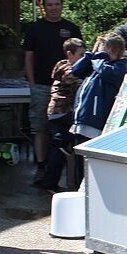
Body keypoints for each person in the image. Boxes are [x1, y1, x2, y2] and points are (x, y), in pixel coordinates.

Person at [22, 0, 82, 185]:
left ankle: (65, 168)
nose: (53, 8)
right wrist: (31, 82)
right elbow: (28, 56)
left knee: (64, 128)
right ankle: (41, 166)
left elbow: (81, 57)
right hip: (40, 85)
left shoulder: (71, 28)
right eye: (49, 5)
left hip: (67, 89)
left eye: (56, 4)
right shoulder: (35, 28)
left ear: (62, 5)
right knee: (40, 127)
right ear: (43, 6)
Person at [38, 38, 86, 191]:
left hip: (62, 113)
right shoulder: (65, 67)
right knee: (60, 147)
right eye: (81, 54)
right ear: (69, 54)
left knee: (60, 147)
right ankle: (50, 182)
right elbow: (73, 77)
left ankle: (52, 182)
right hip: (61, 113)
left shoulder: (70, 65)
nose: (84, 57)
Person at [70, 34, 127, 141]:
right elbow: (76, 70)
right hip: (82, 118)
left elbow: (107, 72)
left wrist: (100, 55)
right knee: (79, 153)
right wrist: (90, 54)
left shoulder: (121, 65)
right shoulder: (97, 62)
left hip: (97, 121)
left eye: (102, 47)